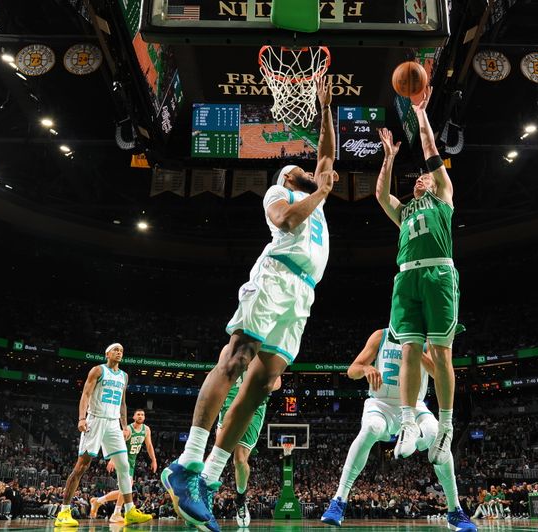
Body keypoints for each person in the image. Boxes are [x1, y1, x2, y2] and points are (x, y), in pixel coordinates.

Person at [160, 76, 337, 532]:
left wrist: (326, 108)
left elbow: (327, 158)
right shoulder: (280, 193)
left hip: (303, 296)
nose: (308, 170)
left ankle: (209, 484)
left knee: (261, 385)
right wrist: (317, 192)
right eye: (300, 170)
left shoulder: (316, 193)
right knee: (237, 359)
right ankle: (186, 465)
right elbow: (287, 219)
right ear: (287, 175)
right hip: (275, 276)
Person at [375, 88, 469, 530]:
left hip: (438, 275)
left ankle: (445, 428)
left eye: (424, 177)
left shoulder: (444, 198)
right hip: (406, 276)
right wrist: (389, 155)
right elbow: (380, 195)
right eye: (416, 178)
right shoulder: (405, 208)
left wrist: (420, 114)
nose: (420, 179)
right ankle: (410, 421)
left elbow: (431, 151)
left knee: (442, 353)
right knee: (410, 350)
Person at [320, 329, 476, 531]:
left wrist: (414, 348)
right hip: (380, 403)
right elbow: (352, 370)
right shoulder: (380, 336)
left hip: (414, 405)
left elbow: (440, 374)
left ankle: (454, 511)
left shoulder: (426, 341)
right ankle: (339, 500)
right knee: (371, 428)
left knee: (438, 435)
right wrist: (366, 369)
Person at [54, 343, 152, 527]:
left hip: (113, 423)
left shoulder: (124, 376)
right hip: (95, 419)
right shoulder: (98, 370)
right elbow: (85, 394)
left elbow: (123, 403)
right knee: (82, 466)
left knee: (124, 465)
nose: (119, 353)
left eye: (122, 351)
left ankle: (129, 511)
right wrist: (82, 418)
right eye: (116, 350)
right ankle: (63, 512)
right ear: (107, 353)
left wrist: (125, 426)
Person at [213, 345, 281, 528]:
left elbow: (277, 382)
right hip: (230, 401)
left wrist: (259, 386)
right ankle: (202, 499)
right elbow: (219, 375)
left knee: (240, 460)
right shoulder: (229, 348)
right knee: (219, 450)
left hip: (254, 405)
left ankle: (241, 500)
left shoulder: (268, 352)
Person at [90, 408, 157, 523]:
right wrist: (112, 459)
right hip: (122, 459)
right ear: (134, 417)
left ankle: (99, 502)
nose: (140, 416)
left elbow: (149, 445)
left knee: (124, 489)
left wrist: (154, 460)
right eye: (138, 414)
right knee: (127, 487)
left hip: (132, 461)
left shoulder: (146, 430)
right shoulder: (128, 430)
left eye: (142, 415)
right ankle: (115, 512)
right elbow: (117, 444)